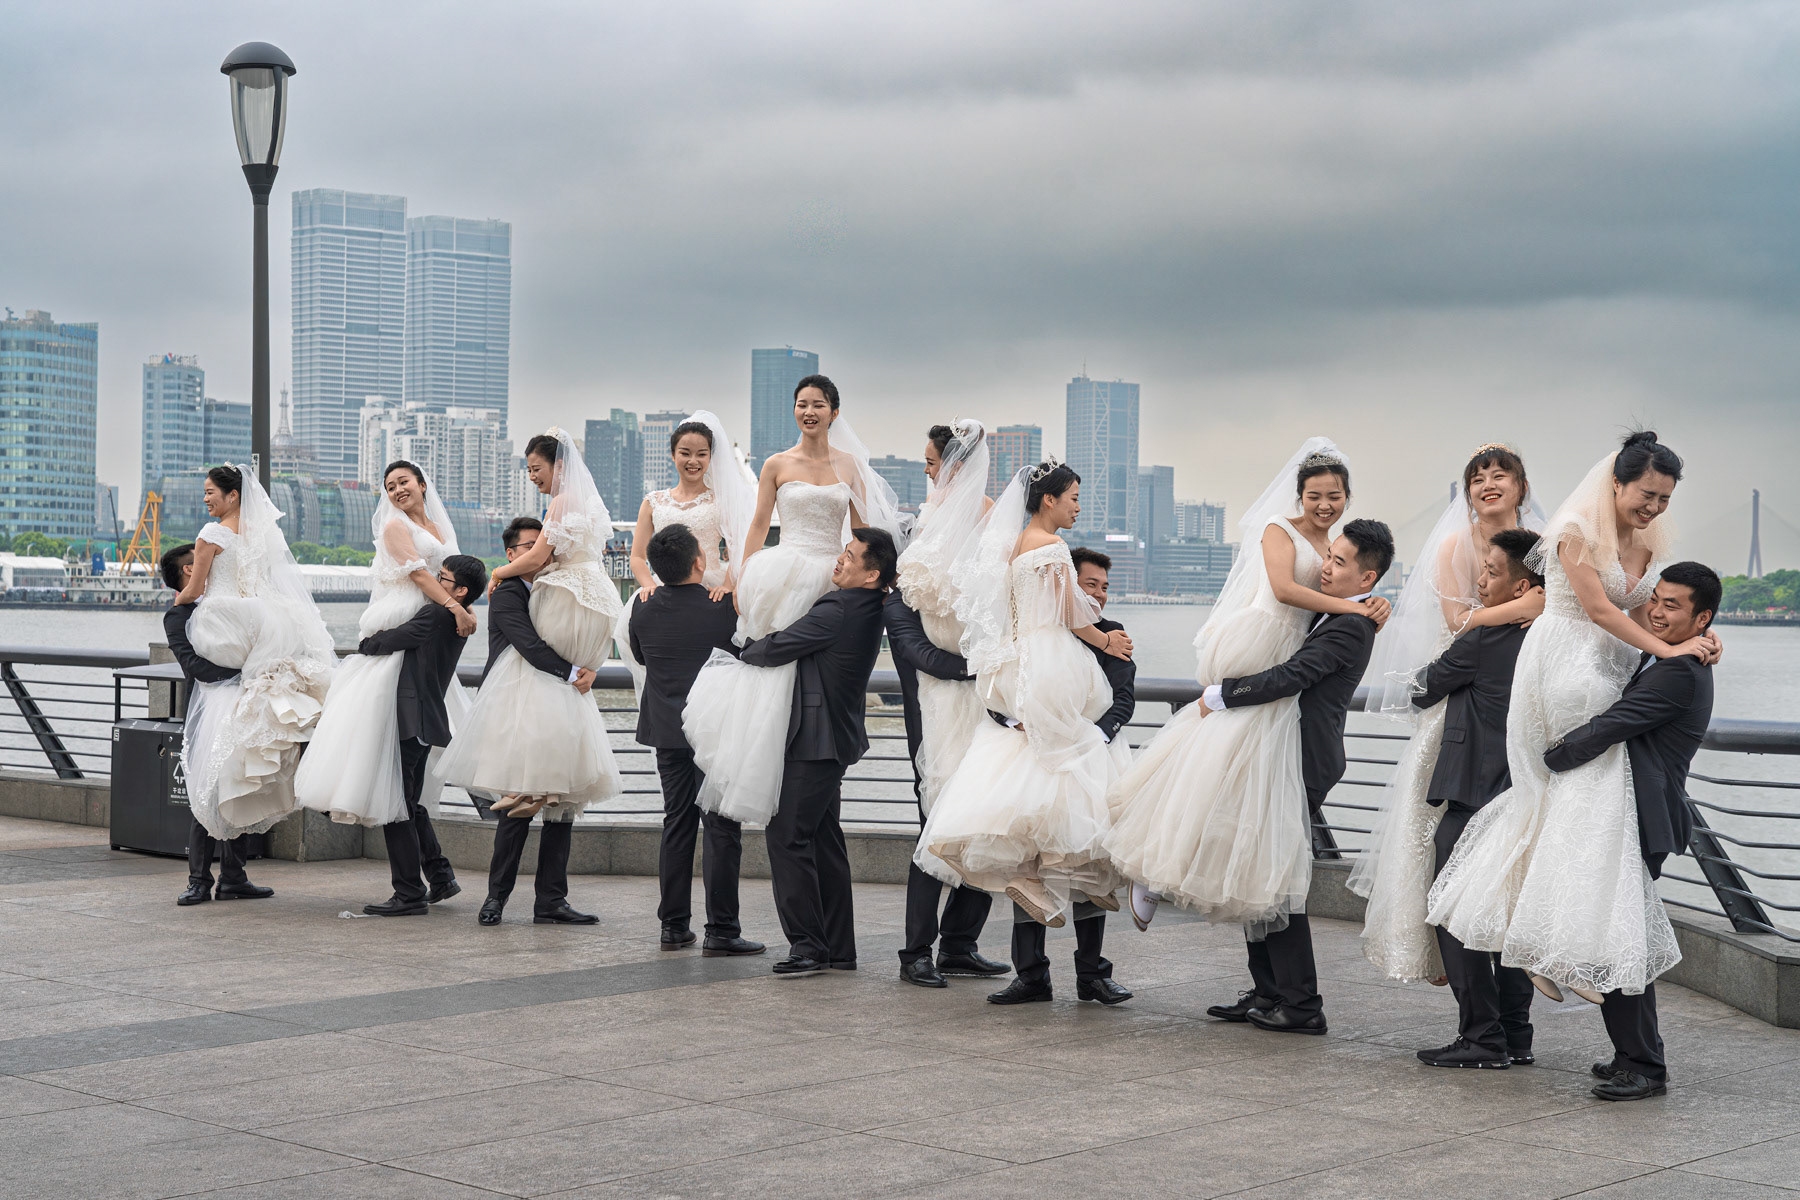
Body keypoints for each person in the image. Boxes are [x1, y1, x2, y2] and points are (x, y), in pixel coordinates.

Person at [1429, 433, 1720, 1002]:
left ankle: (1548, 944)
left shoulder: (1646, 538)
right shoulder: (1573, 530)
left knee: (1568, 808)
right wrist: (1670, 653)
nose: (1655, 507)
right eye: (1647, 493)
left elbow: (1646, 609)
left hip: (1614, 667)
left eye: (1664, 498)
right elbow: (1598, 607)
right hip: (1567, 668)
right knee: (1592, 794)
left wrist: (1699, 636)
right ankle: (1559, 947)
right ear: (1617, 481)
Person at [1105, 440, 1388, 932]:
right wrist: (1359, 606)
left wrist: (1373, 602)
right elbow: (1283, 590)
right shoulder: (1279, 530)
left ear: (1347, 497)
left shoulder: (1336, 546)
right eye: (1316, 495)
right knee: (1207, 761)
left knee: (1238, 780)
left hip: (1294, 653)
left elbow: (1349, 585)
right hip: (1266, 640)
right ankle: (1150, 867)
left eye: (1335, 496)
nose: (1325, 505)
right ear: (1299, 496)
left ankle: (1187, 876)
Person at [1351, 444, 1544, 984]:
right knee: (1440, 834)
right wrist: (1527, 606)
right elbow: (1459, 620)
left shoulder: (1547, 547)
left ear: (1521, 488)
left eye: (1499, 474)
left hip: (1522, 705)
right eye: (1476, 476)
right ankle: (1446, 958)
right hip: (1462, 700)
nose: (1487, 483)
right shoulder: (1457, 544)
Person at [917, 461, 1133, 930]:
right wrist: (1107, 641)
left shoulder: (1013, 545)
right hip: (1052, 657)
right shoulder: (1053, 546)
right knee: (1075, 759)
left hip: (1017, 660)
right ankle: (1073, 871)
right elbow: (1071, 614)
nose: (1079, 506)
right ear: (1050, 500)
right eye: (1074, 497)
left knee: (1032, 762)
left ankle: (1041, 873)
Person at [1196, 519, 1392, 1035]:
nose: (1327, 567)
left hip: (1305, 759)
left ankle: (1302, 1005)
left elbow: (1294, 675)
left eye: (1341, 562)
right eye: (1330, 556)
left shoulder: (1351, 626)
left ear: (1367, 579)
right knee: (1258, 870)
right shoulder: (1333, 613)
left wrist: (1225, 693)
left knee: (1276, 879)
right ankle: (1268, 992)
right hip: (1282, 754)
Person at [683, 375, 905, 827]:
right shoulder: (776, 464)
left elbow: (863, 534)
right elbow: (760, 524)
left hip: (830, 572)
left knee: (814, 668)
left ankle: (811, 759)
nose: (809, 411)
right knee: (774, 667)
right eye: (801, 404)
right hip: (783, 570)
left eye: (818, 404)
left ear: (834, 412)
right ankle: (767, 759)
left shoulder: (851, 466)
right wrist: (742, 578)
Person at [1545, 562, 1720, 1100]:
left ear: (1703, 617)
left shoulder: (1679, 673)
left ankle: (1644, 1066)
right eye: (1657, 600)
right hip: (1629, 813)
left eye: (1674, 605)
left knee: (1620, 941)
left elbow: (1615, 722)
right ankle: (1632, 1055)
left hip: (1642, 817)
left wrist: (1554, 754)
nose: (1659, 611)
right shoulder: (1670, 654)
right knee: (1616, 936)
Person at [441, 430, 623, 823]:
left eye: (535, 468)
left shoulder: (560, 502)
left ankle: (528, 783)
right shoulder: (590, 503)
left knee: (531, 673)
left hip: (568, 596)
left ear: (559, 466)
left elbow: (539, 557)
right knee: (560, 689)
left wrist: (498, 572)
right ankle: (545, 788)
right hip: (597, 601)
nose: (531, 477)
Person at [1413, 528, 1544, 1069]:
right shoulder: (1550, 636)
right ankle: (1515, 1035)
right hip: (1529, 796)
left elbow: (1424, 686)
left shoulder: (1484, 638)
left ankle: (1481, 1036)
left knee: (1451, 911)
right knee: (1510, 914)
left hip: (1474, 792)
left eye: (1491, 573)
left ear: (1521, 585)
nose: (1480, 582)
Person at [740, 529, 895, 976]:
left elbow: (781, 645)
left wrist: (745, 650)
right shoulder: (869, 608)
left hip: (814, 741)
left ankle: (807, 947)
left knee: (786, 837)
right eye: (843, 554)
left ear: (872, 574)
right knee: (825, 843)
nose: (839, 562)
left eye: (850, 558)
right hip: (835, 740)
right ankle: (838, 949)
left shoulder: (837, 606)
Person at [887, 420, 1008, 988]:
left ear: (956, 464)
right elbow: (903, 613)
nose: (929, 472)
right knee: (937, 821)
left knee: (984, 816)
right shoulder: (922, 523)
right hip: (936, 693)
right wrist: (952, 666)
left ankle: (961, 943)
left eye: (933, 462)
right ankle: (916, 952)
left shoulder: (991, 522)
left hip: (985, 692)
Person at [988, 546, 1137, 1007]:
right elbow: (995, 696)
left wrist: (1092, 737)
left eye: (1105, 587)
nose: (1099, 595)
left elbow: (1124, 701)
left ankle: (1092, 975)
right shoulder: (1033, 633)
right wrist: (1018, 724)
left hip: (1093, 759)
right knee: (1029, 865)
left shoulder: (1113, 635)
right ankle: (1031, 976)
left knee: (1087, 859)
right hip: (1034, 761)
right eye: (1089, 585)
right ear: (1065, 586)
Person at [296, 460, 478, 828]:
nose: (397, 490)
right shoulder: (395, 525)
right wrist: (455, 606)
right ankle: (382, 797)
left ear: (422, 484)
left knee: (434, 720)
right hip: (407, 615)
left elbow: (454, 573)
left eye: (403, 481)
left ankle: (423, 813)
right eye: (390, 486)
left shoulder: (441, 527)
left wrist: (462, 607)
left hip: (434, 621)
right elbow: (419, 574)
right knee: (390, 716)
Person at [173, 464, 334, 840]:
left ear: (233, 496)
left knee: (215, 756)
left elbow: (195, 589)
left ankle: (210, 868)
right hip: (263, 624)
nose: (205, 498)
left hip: (226, 624)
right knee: (256, 724)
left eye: (211, 491)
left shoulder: (211, 534)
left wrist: (176, 603)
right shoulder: (262, 534)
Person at [629, 524, 764, 956]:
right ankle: (722, 931)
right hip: (714, 732)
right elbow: (744, 655)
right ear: (700, 562)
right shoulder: (722, 609)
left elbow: (637, 655)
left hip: (667, 732)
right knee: (721, 828)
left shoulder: (642, 609)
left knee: (677, 823)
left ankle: (673, 926)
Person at [476, 517, 600, 928]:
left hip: (561, 704)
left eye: (543, 547)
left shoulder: (556, 588)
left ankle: (552, 900)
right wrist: (571, 671)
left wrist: (589, 668)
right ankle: (496, 898)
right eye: (530, 547)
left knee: (560, 805)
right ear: (511, 555)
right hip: (517, 706)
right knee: (518, 805)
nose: (539, 554)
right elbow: (528, 644)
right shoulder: (507, 591)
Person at [357, 555, 487, 916]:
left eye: (441, 578)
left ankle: (409, 892)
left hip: (409, 721)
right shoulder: (458, 618)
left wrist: (368, 641)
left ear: (460, 591)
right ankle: (440, 876)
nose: (432, 581)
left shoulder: (435, 615)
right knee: (410, 804)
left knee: (396, 807)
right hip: (423, 721)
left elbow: (383, 641)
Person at [160, 544, 273, 907]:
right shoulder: (179, 615)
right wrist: (242, 675)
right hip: (205, 711)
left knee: (236, 787)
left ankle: (234, 878)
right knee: (204, 794)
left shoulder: (225, 605)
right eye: (199, 560)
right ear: (188, 572)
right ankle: (198, 880)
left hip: (240, 707)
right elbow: (192, 664)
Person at [617, 412, 757, 694]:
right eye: (685, 453)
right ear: (672, 455)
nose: (693, 461)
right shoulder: (653, 502)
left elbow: (739, 551)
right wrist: (649, 586)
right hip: (665, 589)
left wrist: (728, 586)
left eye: (701, 454)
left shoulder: (722, 501)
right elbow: (636, 556)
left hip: (710, 590)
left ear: (710, 458)